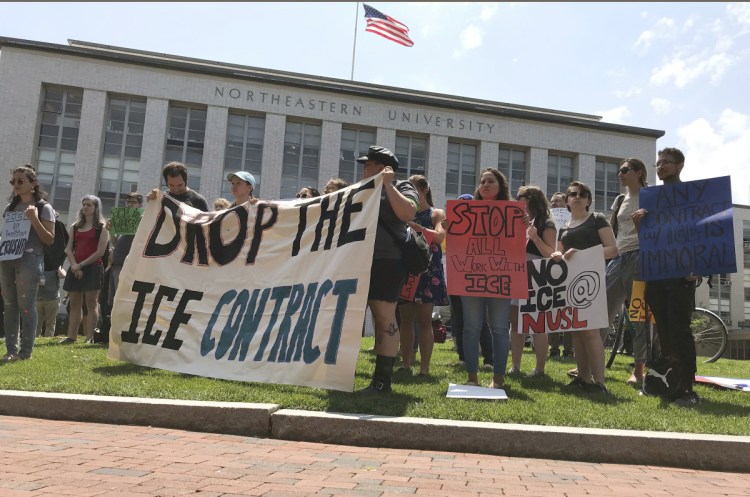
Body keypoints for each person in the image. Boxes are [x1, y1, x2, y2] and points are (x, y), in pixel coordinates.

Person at [640, 147, 701, 407]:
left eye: (666, 162)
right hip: (656, 274)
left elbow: (702, 233)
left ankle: (686, 389)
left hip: (681, 276)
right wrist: (638, 224)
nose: (661, 166)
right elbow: (649, 239)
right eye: (658, 162)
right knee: (663, 331)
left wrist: (697, 267)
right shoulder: (651, 200)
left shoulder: (692, 197)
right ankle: (670, 383)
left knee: (679, 329)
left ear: (680, 166)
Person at [356, 146, 418, 393]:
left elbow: (407, 213)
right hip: (359, 261)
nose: (363, 167)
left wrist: (388, 185)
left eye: (368, 164)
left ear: (382, 168)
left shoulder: (403, 187)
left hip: (388, 261)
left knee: (384, 318)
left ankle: (382, 381)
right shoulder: (361, 189)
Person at [551, 182, 618, 394]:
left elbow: (612, 250)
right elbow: (558, 254)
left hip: (593, 281)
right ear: (568, 200)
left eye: (582, 194)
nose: (577, 197)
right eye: (573, 194)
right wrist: (557, 256)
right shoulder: (564, 227)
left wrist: (580, 254)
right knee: (576, 332)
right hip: (570, 283)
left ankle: (600, 382)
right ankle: (583, 378)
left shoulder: (597, 219)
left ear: (589, 200)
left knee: (590, 332)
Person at [460, 169, 514, 388]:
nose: (485, 185)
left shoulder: (513, 214)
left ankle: (498, 379)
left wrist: (523, 227)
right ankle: (472, 377)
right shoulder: (467, 214)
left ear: (500, 186)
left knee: (500, 328)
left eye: (491, 181)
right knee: (471, 328)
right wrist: (451, 229)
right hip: (471, 276)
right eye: (482, 182)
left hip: (501, 277)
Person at [0, 165, 56, 361]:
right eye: (13, 181)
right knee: (9, 304)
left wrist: (34, 219)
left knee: (26, 305)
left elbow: (49, 239)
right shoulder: (11, 208)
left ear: (33, 184)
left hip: (30, 260)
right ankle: (11, 350)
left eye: (20, 181)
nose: (16, 185)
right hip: (7, 260)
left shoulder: (43, 207)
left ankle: (25, 352)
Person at [602, 158, 650, 385]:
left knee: (638, 314)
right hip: (617, 258)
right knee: (600, 309)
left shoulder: (651, 196)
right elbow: (614, 230)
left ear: (639, 172)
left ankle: (639, 369)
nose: (619, 174)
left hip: (640, 257)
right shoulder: (620, 199)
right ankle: (593, 362)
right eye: (618, 171)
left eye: (624, 170)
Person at [396, 175, 448, 376]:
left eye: (412, 190)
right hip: (406, 268)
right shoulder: (402, 213)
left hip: (427, 270)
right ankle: (406, 364)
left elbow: (440, 236)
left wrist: (418, 228)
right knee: (405, 319)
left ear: (424, 190)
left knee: (425, 320)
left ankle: (424, 368)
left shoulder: (436, 213)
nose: (408, 196)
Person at [508, 186, 557, 378]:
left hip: (537, 275)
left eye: (522, 198)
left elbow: (550, 253)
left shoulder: (547, 224)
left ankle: (540, 369)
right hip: (517, 274)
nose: (519, 202)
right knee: (516, 323)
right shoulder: (515, 222)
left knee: (537, 324)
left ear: (533, 200)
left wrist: (535, 237)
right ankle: (516, 366)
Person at [444, 194, 494, 370]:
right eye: (460, 206)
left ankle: (489, 360)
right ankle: (463, 358)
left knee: (480, 321)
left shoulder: (484, 227)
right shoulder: (451, 227)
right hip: (457, 278)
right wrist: (446, 230)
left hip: (477, 278)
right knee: (460, 319)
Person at [61, 195, 110, 344]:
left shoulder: (102, 228)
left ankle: (90, 337)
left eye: (89, 204)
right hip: (75, 267)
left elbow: (100, 252)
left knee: (91, 303)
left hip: (94, 268)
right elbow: (68, 249)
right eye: (84, 204)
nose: (86, 207)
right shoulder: (75, 227)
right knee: (74, 303)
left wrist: (81, 265)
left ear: (96, 208)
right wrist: (75, 265)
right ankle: (71, 336)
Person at [107, 192, 143, 313]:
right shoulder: (122, 219)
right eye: (128, 202)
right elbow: (116, 243)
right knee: (117, 298)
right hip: (118, 263)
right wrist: (111, 231)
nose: (130, 205)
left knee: (128, 299)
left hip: (133, 266)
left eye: (133, 202)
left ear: (140, 205)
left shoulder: (143, 221)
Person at [548, 191, 573, 361]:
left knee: (569, 310)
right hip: (551, 264)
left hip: (569, 265)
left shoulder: (572, 221)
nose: (554, 204)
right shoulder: (548, 221)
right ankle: (554, 348)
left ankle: (569, 349)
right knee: (553, 309)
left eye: (557, 201)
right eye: (552, 201)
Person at [36, 265, 66, 337]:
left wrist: (58, 266)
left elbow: (63, 275)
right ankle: (35, 338)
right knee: (36, 322)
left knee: (50, 322)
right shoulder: (36, 264)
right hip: (37, 299)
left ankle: (48, 339)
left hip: (52, 299)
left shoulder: (55, 265)